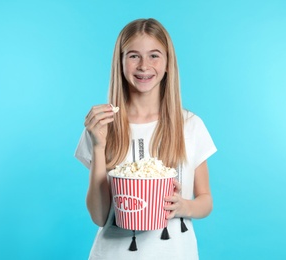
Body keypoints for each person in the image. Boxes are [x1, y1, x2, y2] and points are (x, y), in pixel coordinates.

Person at [75, 18, 217, 259]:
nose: (143, 66)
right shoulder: (102, 126)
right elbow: (99, 216)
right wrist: (98, 146)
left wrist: (183, 206)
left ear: (168, 63)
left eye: (154, 55)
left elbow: (205, 200)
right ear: (120, 63)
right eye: (133, 56)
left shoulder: (190, 125)